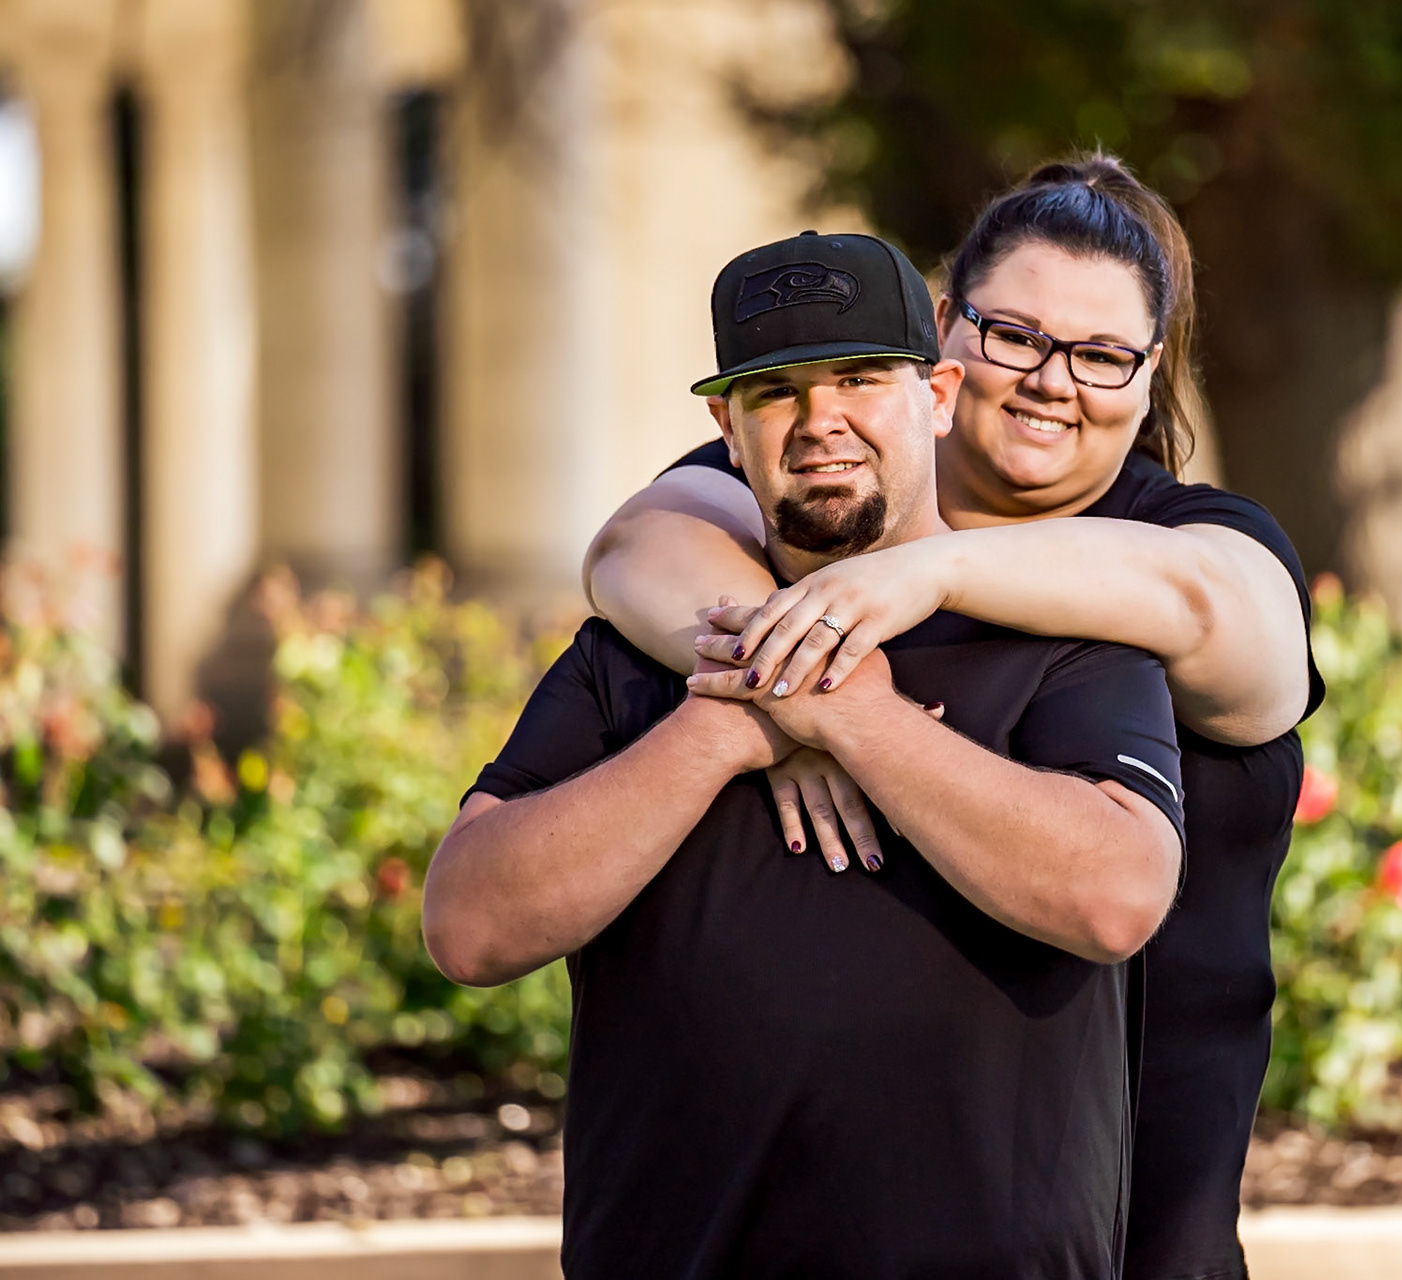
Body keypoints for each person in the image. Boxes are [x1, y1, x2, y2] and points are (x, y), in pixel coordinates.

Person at [585, 156, 1324, 1280]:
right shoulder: (813, 498)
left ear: (1149, 370)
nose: (1049, 381)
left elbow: (1232, 631)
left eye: (1101, 355)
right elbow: (632, 547)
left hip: (1143, 1231)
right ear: (944, 335)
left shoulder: (1192, 540)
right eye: (1013, 335)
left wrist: (928, 579)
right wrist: (794, 691)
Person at [423, 228, 1186, 1279]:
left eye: (862, 377)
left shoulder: (1065, 643)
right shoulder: (637, 657)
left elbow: (1117, 896)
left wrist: (860, 720)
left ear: (938, 395)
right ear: (724, 428)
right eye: (775, 390)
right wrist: (726, 725)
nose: (820, 420)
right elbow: (468, 926)